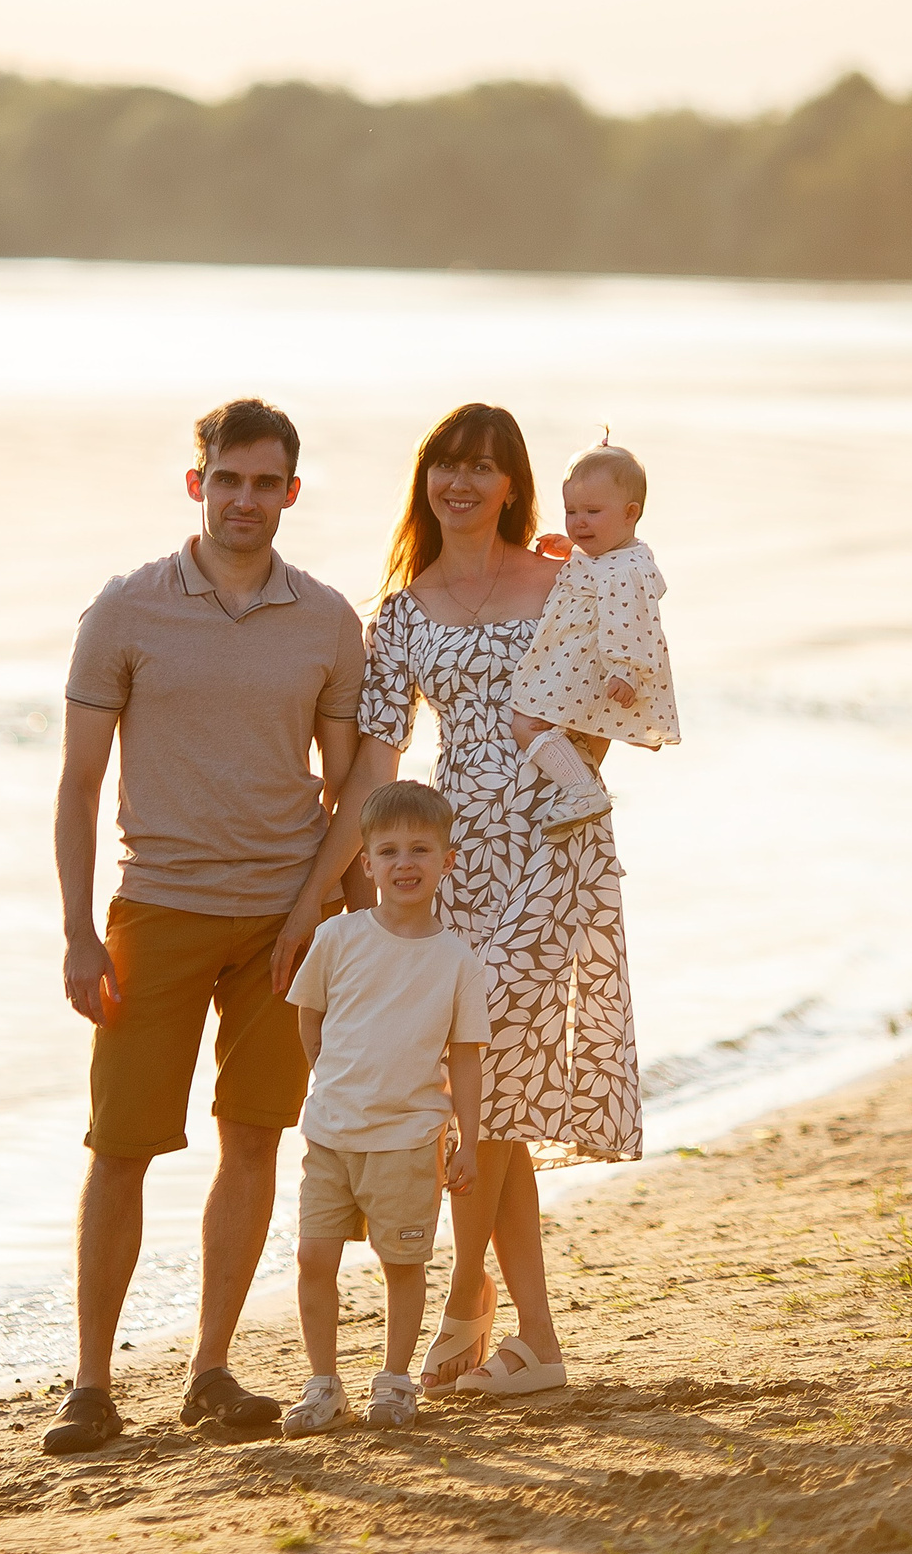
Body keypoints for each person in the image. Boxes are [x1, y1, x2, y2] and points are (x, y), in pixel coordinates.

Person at [274, 402, 643, 1401]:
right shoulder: (400, 612)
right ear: (426, 478)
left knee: (497, 1077)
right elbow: (375, 772)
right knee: (493, 1095)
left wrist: (563, 771)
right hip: (454, 855)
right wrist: (321, 896)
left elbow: (623, 690)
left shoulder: (565, 582)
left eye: (484, 467)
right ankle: (534, 1339)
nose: (463, 482)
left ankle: (464, 1305)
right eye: (447, 464)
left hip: (553, 844)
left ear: (513, 484)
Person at [48, 397, 368, 1455]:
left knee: (253, 1136)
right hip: (159, 910)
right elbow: (78, 785)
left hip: (282, 921)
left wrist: (338, 916)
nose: (245, 498)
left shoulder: (326, 619)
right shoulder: (127, 609)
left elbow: (346, 788)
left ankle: (210, 1367)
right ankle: (91, 1383)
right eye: (227, 479)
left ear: (290, 490)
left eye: (264, 481)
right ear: (198, 484)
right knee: (122, 1145)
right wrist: (77, 932)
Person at [278, 780, 487, 1436]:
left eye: (421, 850)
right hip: (331, 1132)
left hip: (408, 1137)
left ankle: (394, 1383)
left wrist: (470, 1141)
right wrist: (335, 1080)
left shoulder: (456, 961)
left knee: (403, 1263)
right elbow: (311, 1020)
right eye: (389, 850)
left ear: (446, 862)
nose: (405, 863)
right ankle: (323, 1384)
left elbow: (466, 1058)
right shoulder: (338, 938)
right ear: (364, 862)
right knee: (314, 1255)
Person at [507, 436, 680, 837]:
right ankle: (583, 783)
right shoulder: (616, 555)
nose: (579, 521)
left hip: (595, 667)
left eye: (592, 512)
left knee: (527, 721)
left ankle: (580, 789)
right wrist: (572, 548)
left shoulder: (624, 572)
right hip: (585, 665)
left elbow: (632, 621)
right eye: (571, 511)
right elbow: (599, 567)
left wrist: (626, 670)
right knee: (556, 724)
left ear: (630, 513)